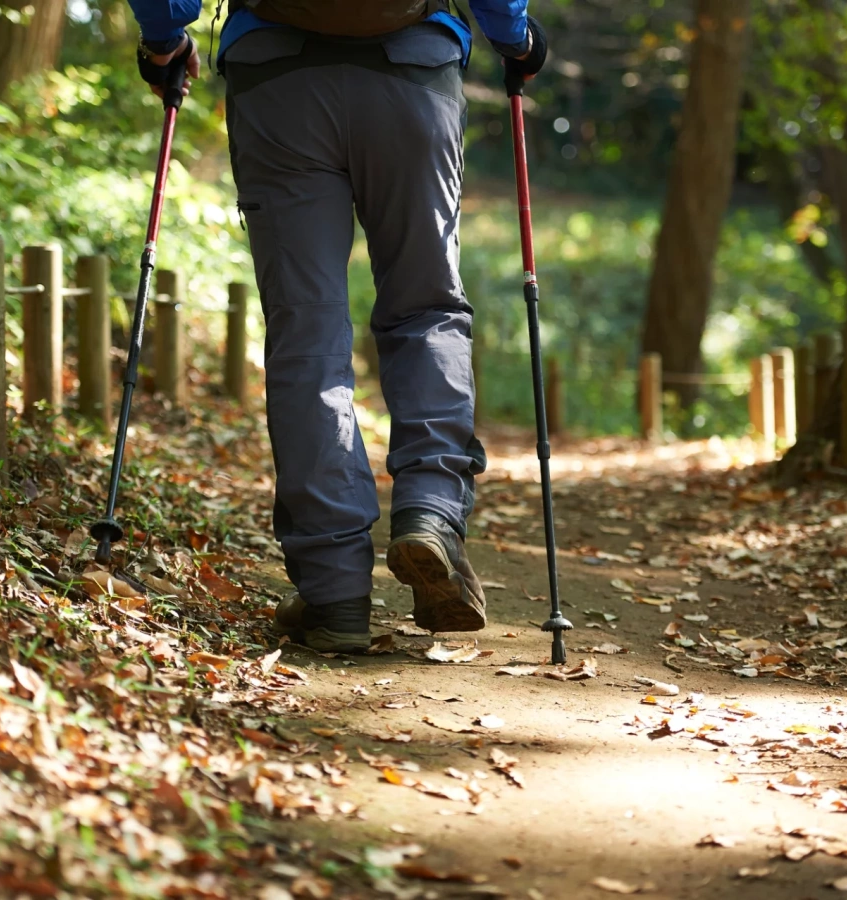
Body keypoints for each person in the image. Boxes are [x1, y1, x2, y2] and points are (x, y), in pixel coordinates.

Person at [125, 0, 548, 653]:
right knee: (426, 306)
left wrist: (162, 42)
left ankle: (333, 591)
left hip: (277, 81)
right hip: (412, 71)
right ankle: (431, 510)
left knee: (306, 327)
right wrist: (515, 39)